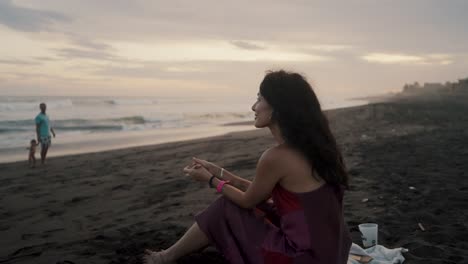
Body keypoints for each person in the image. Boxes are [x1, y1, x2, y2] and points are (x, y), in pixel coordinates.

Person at [143, 70, 352, 264]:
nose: (253, 107)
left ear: (278, 108)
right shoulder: (318, 148)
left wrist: (209, 180)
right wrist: (220, 172)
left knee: (226, 206)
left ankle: (164, 258)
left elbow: (247, 200)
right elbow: (259, 193)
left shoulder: (276, 157)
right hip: (333, 253)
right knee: (262, 206)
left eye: (259, 99)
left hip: (304, 257)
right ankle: (166, 256)